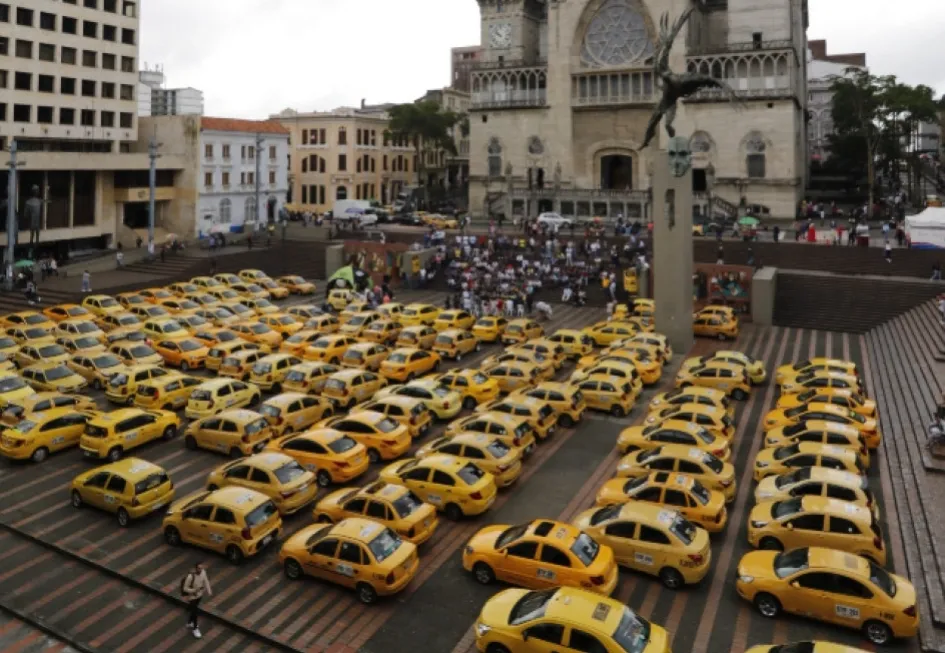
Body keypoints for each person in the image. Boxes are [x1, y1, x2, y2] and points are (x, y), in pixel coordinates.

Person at [181, 562, 213, 639]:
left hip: (199, 595)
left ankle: (189, 623)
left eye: (201, 568)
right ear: (195, 568)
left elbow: (206, 581)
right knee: (195, 612)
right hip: (192, 597)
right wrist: (194, 590)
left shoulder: (203, 572)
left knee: (193, 610)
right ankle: (195, 628)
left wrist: (209, 590)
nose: (200, 570)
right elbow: (185, 588)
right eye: (199, 568)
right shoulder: (190, 577)